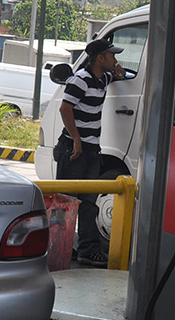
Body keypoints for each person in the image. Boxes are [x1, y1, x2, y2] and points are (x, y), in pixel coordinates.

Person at [55, 37, 131, 268]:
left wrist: (119, 71)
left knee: (89, 200)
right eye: (112, 56)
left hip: (91, 149)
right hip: (74, 148)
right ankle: (59, 247)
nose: (115, 59)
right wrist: (76, 139)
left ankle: (87, 249)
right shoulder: (81, 79)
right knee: (66, 200)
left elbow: (120, 75)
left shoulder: (102, 78)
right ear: (100, 58)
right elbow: (65, 109)